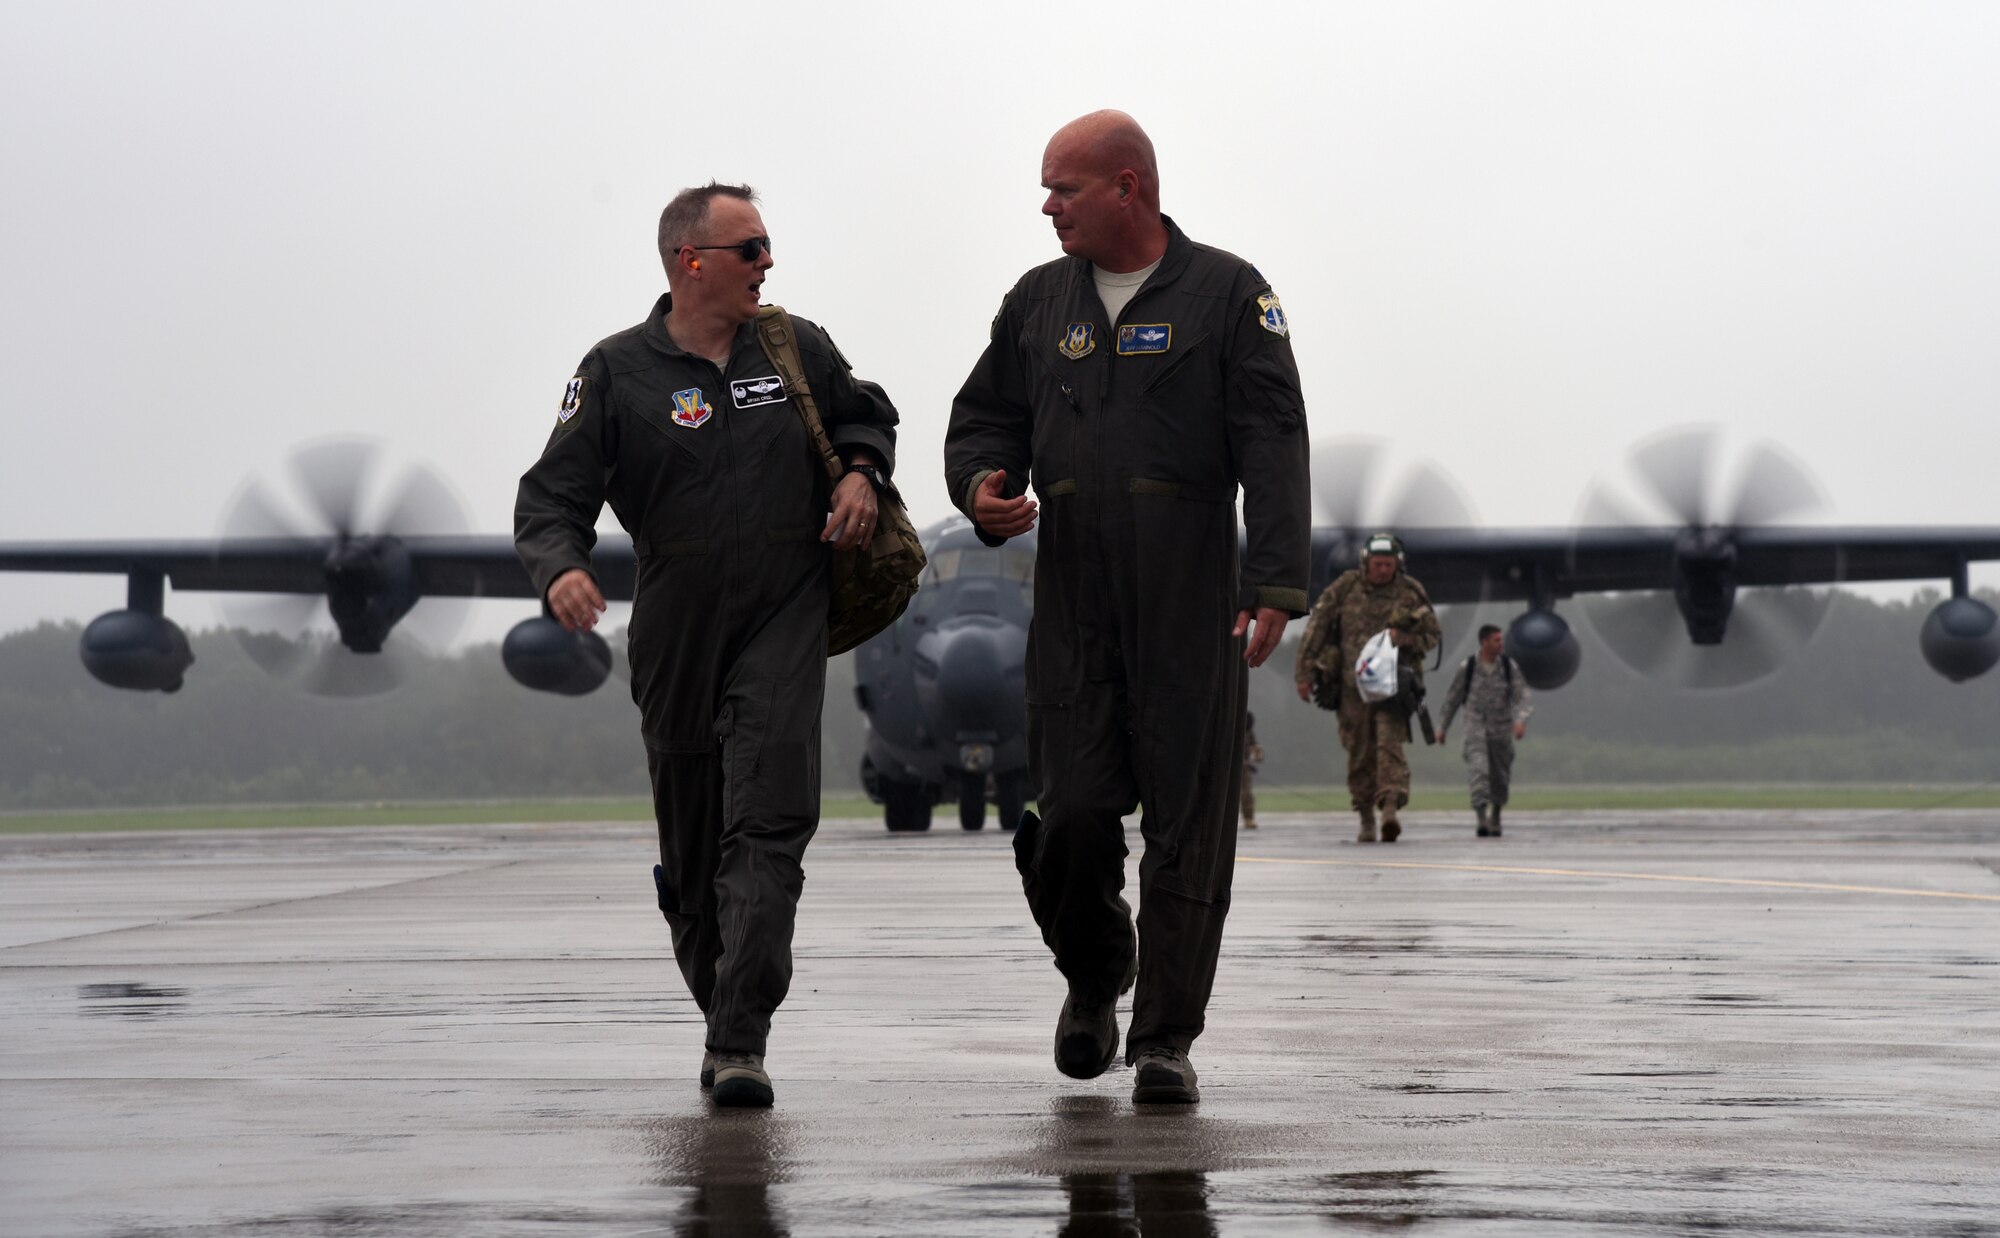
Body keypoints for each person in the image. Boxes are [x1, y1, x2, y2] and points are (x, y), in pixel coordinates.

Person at [944, 110, 1312, 1106]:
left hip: (1190, 597)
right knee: (1066, 814)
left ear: (1126, 186)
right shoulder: (1034, 302)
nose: (1046, 205)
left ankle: (1162, 1040)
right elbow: (986, 416)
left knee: (1188, 828)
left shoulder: (1228, 295)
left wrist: (1274, 585)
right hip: (1072, 600)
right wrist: (981, 484)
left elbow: (1272, 440)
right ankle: (1094, 967)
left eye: (1062, 187)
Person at [515, 182, 899, 1109]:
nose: (769, 264)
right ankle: (722, 1015)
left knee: (768, 828)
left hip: (784, 608)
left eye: (769, 248)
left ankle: (740, 1039)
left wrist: (860, 474)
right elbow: (551, 495)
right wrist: (560, 568)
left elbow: (865, 411)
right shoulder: (616, 372)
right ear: (692, 262)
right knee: (693, 863)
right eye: (751, 249)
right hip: (677, 623)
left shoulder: (795, 346)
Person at [1293, 533, 1441, 843]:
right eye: (1378, 564)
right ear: (1365, 562)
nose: (1383, 570)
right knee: (1359, 751)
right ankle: (1365, 816)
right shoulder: (1344, 588)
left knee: (1390, 746)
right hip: (1352, 687)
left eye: (1389, 564)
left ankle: (1389, 807)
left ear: (1397, 565)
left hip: (1393, 687)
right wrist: (1304, 673)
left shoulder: (1411, 593)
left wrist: (1407, 640)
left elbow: (1432, 635)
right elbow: (1317, 628)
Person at [1437, 624, 1533, 837]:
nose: (1501, 644)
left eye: (1501, 640)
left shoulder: (1508, 667)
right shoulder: (1468, 667)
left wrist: (1521, 720)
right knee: (1478, 771)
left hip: (1500, 730)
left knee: (1500, 775)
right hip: (1475, 728)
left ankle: (1496, 814)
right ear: (1484, 642)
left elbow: (1522, 695)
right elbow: (1452, 698)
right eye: (1496, 640)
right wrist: (1442, 727)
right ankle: (1481, 817)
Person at [1241, 712, 1264, 830]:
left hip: (1245, 769)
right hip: (1230, 767)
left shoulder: (1249, 733)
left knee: (1247, 794)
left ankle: (1248, 818)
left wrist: (1256, 755)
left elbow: (1256, 750)